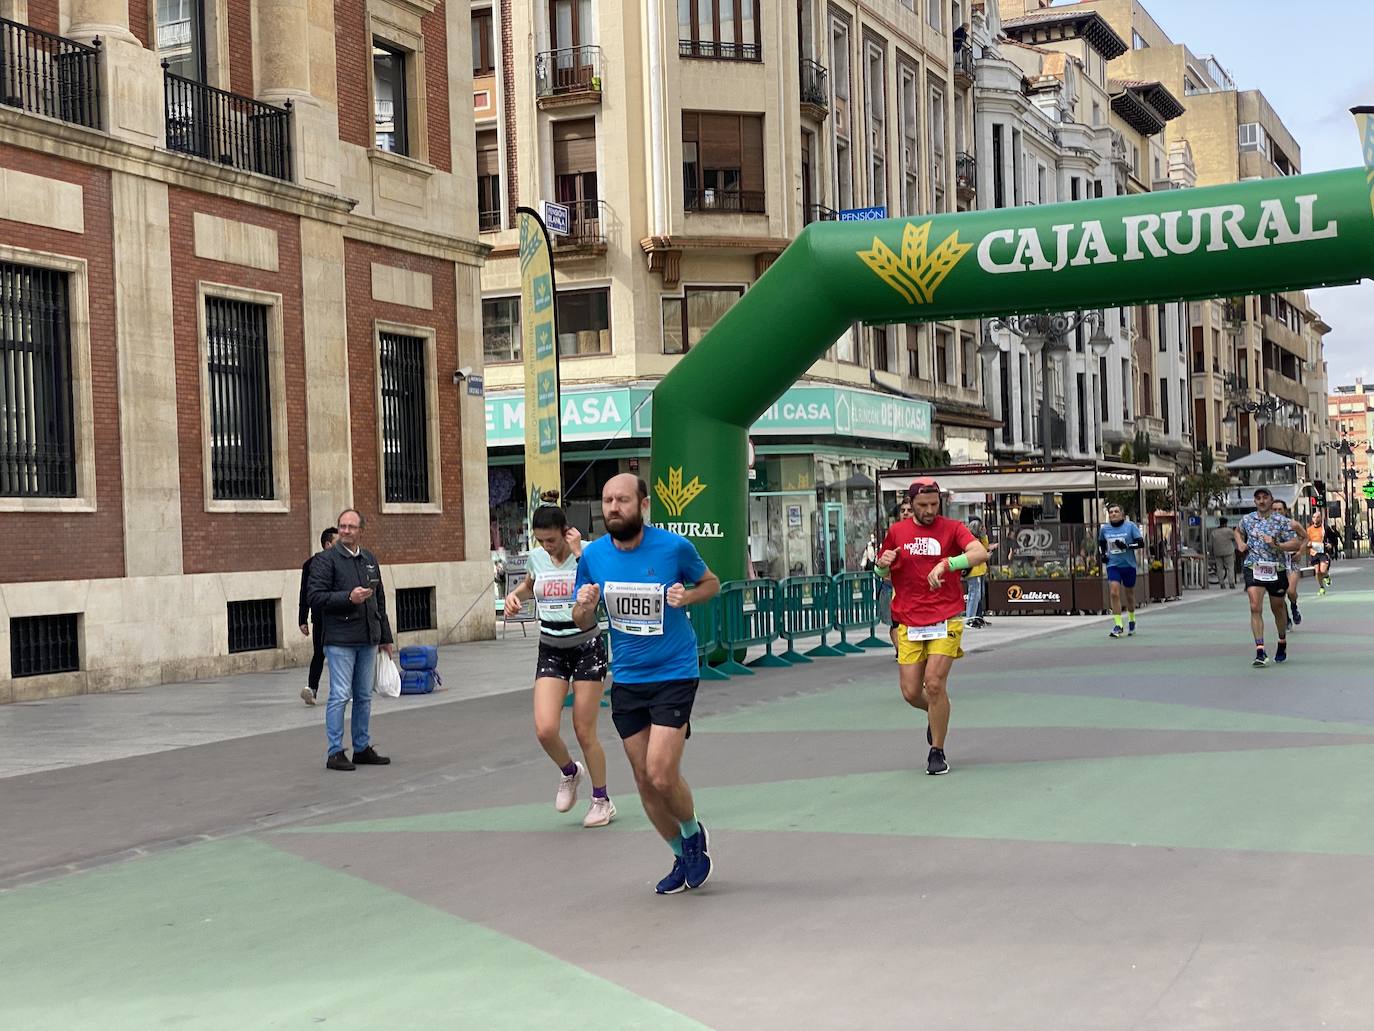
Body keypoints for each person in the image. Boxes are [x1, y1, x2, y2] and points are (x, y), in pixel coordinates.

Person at [572, 474, 721, 894]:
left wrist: (686, 597)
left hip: (674, 671)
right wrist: (583, 608)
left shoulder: (674, 548)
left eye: (622, 499)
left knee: (659, 772)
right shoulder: (595, 556)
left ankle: (693, 832)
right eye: (606, 501)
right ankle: (681, 852)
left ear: (643, 504)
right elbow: (583, 620)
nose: (613, 508)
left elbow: (711, 583)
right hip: (629, 678)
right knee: (642, 778)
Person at [503, 505, 615, 828]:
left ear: (566, 531)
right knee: (545, 729)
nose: (546, 547)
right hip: (550, 646)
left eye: (552, 540)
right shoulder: (537, 558)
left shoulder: (588, 554)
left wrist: (580, 553)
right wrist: (516, 596)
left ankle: (601, 800)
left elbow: (603, 586)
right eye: (541, 541)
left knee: (583, 729)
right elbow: (529, 584)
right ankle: (570, 772)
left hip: (586, 645)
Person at [875, 477, 988, 776]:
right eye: (922, 505)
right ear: (910, 504)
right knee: (912, 692)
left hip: (945, 615)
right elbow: (881, 568)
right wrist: (883, 563)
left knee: (934, 683)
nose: (928, 510)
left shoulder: (952, 528)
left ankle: (936, 751)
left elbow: (980, 553)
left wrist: (947, 564)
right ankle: (936, 713)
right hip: (910, 619)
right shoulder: (897, 531)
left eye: (934, 504)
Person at [307, 508, 395, 770]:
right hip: (340, 640)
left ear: (360, 531)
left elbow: (379, 600)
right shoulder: (325, 560)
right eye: (342, 526)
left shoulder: (369, 559)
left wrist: (385, 637)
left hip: (368, 637)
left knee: (364, 696)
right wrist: (348, 597)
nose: (345, 531)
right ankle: (335, 751)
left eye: (351, 527)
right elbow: (315, 597)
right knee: (340, 695)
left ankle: (361, 747)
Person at [1235, 488, 1303, 667]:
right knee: (1254, 606)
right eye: (1258, 498)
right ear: (1255, 501)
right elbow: (1237, 531)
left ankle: (1282, 641)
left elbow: (1296, 542)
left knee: (1278, 607)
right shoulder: (1247, 519)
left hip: (1276, 568)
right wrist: (1241, 543)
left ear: (1271, 501)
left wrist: (1276, 545)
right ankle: (1260, 650)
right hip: (1253, 566)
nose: (1262, 501)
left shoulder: (1282, 521)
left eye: (1265, 498)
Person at [297, 526, 338, 706]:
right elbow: (304, 591)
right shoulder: (311, 564)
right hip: (320, 616)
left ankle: (344, 689)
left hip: (340, 616)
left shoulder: (344, 563)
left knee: (340, 653)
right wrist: (302, 618)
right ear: (327, 544)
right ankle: (312, 690)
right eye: (337, 542)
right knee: (319, 653)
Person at [1097, 503, 1145, 638]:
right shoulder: (1105, 529)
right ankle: (1118, 625)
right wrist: (1103, 555)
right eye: (1111, 512)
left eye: (1116, 511)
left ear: (1122, 514)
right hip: (1113, 565)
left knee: (1129, 595)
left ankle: (1131, 619)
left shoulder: (1130, 527)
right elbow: (1101, 543)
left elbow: (1141, 543)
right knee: (1114, 592)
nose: (1113, 514)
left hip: (1128, 565)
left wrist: (1127, 545)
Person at [885, 498, 913, 655]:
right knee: (895, 622)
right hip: (893, 585)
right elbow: (882, 560)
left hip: (913, 587)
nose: (906, 513)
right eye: (903, 511)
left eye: (909, 510)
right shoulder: (894, 533)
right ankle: (900, 651)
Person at [1271, 500, 1305, 628]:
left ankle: (1294, 606)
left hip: (1291, 561)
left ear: (1285, 511)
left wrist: (1300, 552)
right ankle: (1286, 617)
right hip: (1275, 563)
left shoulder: (1293, 524)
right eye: (1274, 510)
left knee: (1291, 591)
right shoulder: (1266, 526)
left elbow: (1305, 537)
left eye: (1280, 509)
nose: (1277, 512)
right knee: (1279, 596)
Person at [964, 517, 991, 629]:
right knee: (974, 595)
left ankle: (975, 617)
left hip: (979, 570)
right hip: (974, 571)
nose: (982, 529)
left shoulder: (978, 539)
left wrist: (984, 536)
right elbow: (983, 551)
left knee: (978, 595)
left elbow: (985, 547)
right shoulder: (971, 540)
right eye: (980, 528)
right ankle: (970, 619)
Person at [1307, 509, 1332, 594]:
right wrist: (1308, 544)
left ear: (1321, 518)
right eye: (1314, 517)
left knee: (1323, 571)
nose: (1316, 519)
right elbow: (1306, 541)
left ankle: (1327, 576)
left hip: (1323, 552)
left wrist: (1330, 544)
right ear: (1312, 519)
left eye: (1318, 517)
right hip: (1314, 552)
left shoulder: (1325, 528)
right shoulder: (1309, 530)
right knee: (1317, 572)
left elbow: (1333, 538)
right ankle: (1321, 587)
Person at [1208, 518, 1237, 589]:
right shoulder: (1229, 531)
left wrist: (1211, 553)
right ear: (1226, 523)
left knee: (1219, 568)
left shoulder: (1214, 532)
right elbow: (1235, 538)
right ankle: (1231, 583)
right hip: (1228, 552)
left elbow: (1210, 544)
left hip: (1217, 552)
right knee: (1230, 568)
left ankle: (1222, 584)